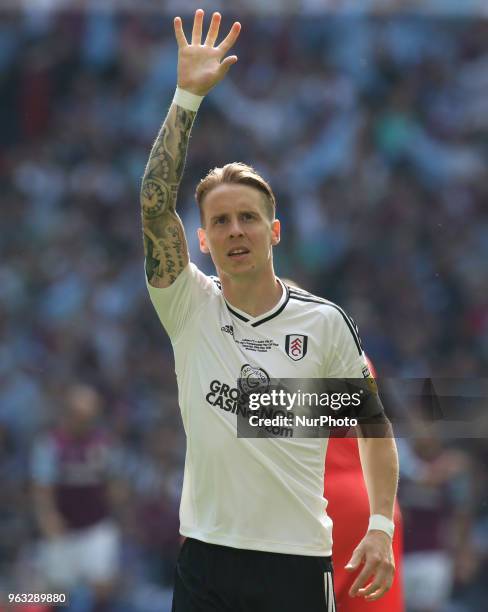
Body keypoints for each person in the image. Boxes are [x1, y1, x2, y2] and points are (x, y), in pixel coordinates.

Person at [141, 9, 399, 611]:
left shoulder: (323, 322)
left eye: (248, 218)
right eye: (220, 221)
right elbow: (155, 209)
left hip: (296, 565)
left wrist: (382, 528)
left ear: (274, 231)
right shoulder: (188, 306)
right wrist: (185, 98)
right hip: (204, 558)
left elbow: (372, 427)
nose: (236, 231)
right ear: (201, 240)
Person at [31, 384, 121, 611]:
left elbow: (114, 481)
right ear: (68, 413)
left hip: (96, 525)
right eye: (80, 415)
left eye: (90, 416)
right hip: (64, 528)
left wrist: (119, 499)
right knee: (56, 593)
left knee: (103, 586)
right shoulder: (50, 444)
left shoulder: (104, 444)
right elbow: (42, 487)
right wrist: (47, 516)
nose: (85, 421)